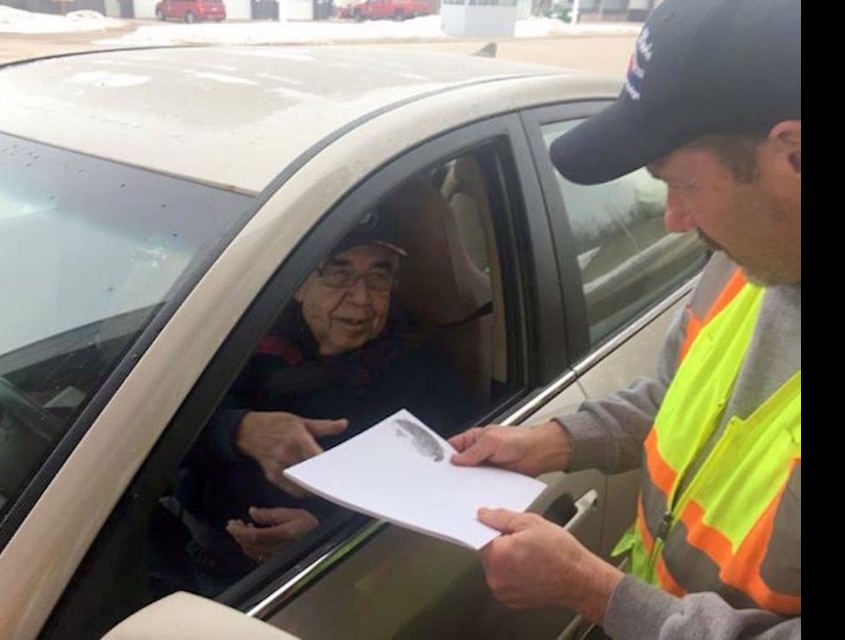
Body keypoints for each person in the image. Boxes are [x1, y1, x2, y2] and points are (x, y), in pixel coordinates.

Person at [448, 0, 800, 637]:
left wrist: (599, 593)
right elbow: (679, 398)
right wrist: (552, 441)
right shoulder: (751, 260)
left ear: (793, 155)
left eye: (683, 185)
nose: (673, 220)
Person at [173, 210, 473, 595]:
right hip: (196, 553)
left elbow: (445, 485)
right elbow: (153, 438)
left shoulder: (422, 369)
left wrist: (325, 533)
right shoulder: (236, 343)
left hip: (341, 578)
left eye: (379, 276)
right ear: (298, 285)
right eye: (339, 273)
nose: (361, 298)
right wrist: (239, 429)